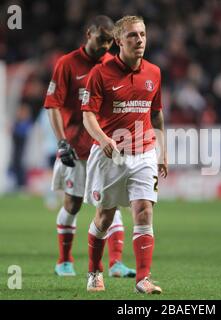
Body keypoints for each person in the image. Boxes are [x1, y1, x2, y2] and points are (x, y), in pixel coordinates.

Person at [43, 15, 135, 277]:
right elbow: (52, 105)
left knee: (111, 204)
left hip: (106, 148)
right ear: (88, 33)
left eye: (110, 41)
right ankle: (64, 260)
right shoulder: (67, 64)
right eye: (101, 39)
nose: (106, 45)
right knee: (72, 205)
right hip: (76, 148)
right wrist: (62, 142)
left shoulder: (113, 65)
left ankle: (116, 264)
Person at [81, 15, 168, 293]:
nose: (139, 40)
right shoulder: (100, 73)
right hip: (111, 155)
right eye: (132, 35)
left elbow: (157, 115)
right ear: (119, 41)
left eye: (142, 34)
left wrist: (162, 151)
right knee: (105, 217)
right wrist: (103, 138)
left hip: (143, 153)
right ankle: (94, 272)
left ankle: (143, 279)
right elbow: (88, 116)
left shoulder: (154, 73)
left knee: (143, 211)